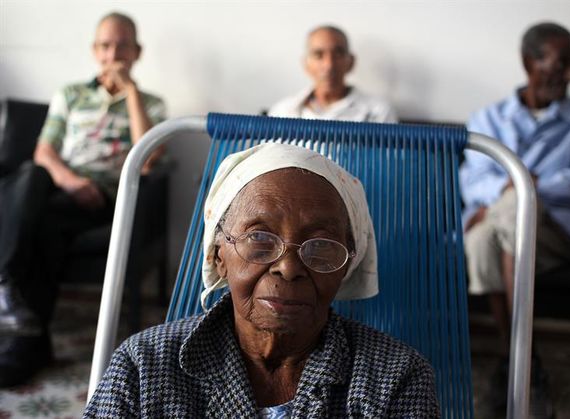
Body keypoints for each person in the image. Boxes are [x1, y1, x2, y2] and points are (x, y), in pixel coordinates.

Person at [84, 143, 440, 417]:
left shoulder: (396, 380)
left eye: (320, 245)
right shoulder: (142, 369)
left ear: (347, 264)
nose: (288, 267)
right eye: (259, 238)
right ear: (217, 255)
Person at [0, 12, 166, 387]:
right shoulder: (71, 94)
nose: (114, 53)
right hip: (58, 189)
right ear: (95, 50)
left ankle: (25, 335)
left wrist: (132, 93)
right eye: (106, 45)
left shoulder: (152, 103)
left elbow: (150, 158)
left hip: (106, 196)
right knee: (31, 180)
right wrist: (71, 181)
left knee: (37, 219)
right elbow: (44, 151)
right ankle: (16, 305)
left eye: (123, 45)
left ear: (137, 51)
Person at [460, 22, 570, 418]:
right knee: (485, 238)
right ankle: (524, 365)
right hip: (501, 230)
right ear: (530, 62)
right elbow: (472, 180)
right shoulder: (487, 118)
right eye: (561, 64)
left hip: (560, 232)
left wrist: (527, 188)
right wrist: (518, 191)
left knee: (511, 208)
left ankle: (516, 359)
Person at [268, 25, 397, 123]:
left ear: (351, 62)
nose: (329, 65)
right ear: (305, 64)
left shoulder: (378, 112)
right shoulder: (282, 112)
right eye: (318, 55)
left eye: (338, 54)